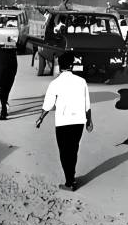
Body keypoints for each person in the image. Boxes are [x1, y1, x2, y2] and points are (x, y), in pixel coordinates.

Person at [35, 52, 93, 192]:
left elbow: (48, 104)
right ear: (72, 65)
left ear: (59, 66)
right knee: (73, 150)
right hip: (78, 121)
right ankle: (71, 177)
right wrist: (89, 121)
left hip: (63, 122)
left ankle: (69, 182)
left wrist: (41, 118)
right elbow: (87, 104)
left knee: (64, 152)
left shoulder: (55, 83)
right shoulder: (81, 81)